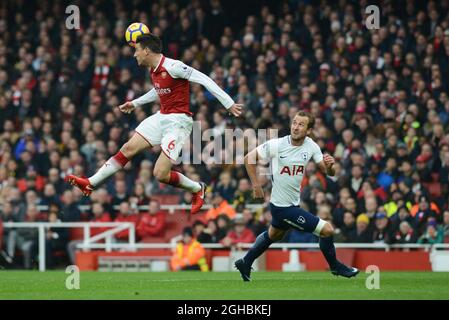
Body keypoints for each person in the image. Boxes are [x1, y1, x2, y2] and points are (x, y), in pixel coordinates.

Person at [65, 33, 243, 214]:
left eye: (137, 50)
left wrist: (228, 103)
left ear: (147, 50)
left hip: (178, 122)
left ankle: (197, 188)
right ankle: (90, 183)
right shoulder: (153, 69)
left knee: (160, 174)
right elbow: (158, 90)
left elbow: (204, 79)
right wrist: (135, 103)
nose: (135, 55)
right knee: (127, 148)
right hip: (161, 116)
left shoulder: (174, 66)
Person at [235, 111, 359, 281]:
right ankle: (336, 266)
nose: (295, 127)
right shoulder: (277, 144)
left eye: (301, 124)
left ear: (308, 130)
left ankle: (245, 261)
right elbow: (249, 158)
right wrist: (256, 185)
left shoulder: (311, 146)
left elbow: (328, 172)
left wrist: (330, 166)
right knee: (327, 230)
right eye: (294, 122)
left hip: (292, 204)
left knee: (274, 235)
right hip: (282, 208)